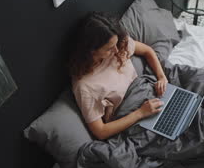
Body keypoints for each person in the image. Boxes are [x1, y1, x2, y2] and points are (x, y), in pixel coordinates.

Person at [69, 12, 168, 140]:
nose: (116, 51)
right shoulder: (84, 85)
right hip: (133, 112)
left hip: (148, 91)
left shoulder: (119, 45)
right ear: (92, 51)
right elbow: (100, 131)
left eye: (116, 44)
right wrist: (141, 113)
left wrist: (161, 77)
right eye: (109, 48)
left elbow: (147, 50)